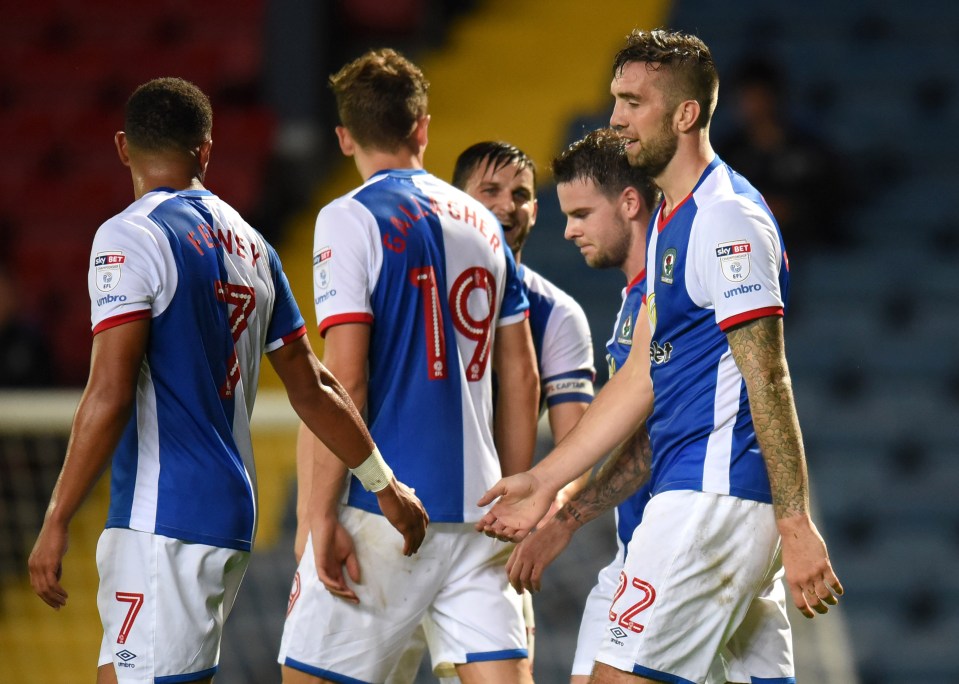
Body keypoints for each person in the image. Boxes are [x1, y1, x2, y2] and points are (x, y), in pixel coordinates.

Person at [26, 77, 428, 684]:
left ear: (121, 148)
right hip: (224, 512)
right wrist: (386, 484)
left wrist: (57, 518)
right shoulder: (254, 246)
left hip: (165, 517)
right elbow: (313, 385)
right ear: (207, 150)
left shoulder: (128, 236)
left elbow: (108, 394)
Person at [477, 29, 844, 684]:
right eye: (615, 100)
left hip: (710, 499)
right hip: (703, 502)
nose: (614, 117)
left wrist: (795, 519)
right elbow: (641, 378)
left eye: (632, 101)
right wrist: (544, 480)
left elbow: (767, 374)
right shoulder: (674, 222)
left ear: (684, 114)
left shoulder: (726, 219)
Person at [278, 49, 540, 684]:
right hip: (482, 516)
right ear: (422, 127)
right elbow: (522, 376)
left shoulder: (348, 217)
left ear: (344, 137)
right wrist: (516, 495)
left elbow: (343, 380)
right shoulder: (484, 222)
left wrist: (318, 513)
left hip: (387, 513)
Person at [504, 129, 727, 684]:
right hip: (638, 544)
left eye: (581, 212)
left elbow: (657, 433)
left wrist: (565, 515)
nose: (569, 229)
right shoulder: (636, 300)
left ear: (629, 203)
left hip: (686, 532)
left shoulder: (673, 293)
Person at [386, 141, 597, 683]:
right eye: (490, 191)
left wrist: (543, 506)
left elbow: (578, 450)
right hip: (393, 527)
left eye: (522, 194)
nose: (507, 205)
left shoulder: (558, 315)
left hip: (484, 541)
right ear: (455, 200)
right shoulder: (408, 288)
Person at [716, 54, 850, 259]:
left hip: (808, 250)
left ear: (774, 95)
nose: (749, 103)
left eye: (756, 95)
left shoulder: (811, 148)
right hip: (746, 252)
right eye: (743, 96)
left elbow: (836, 200)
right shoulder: (727, 151)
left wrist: (794, 209)